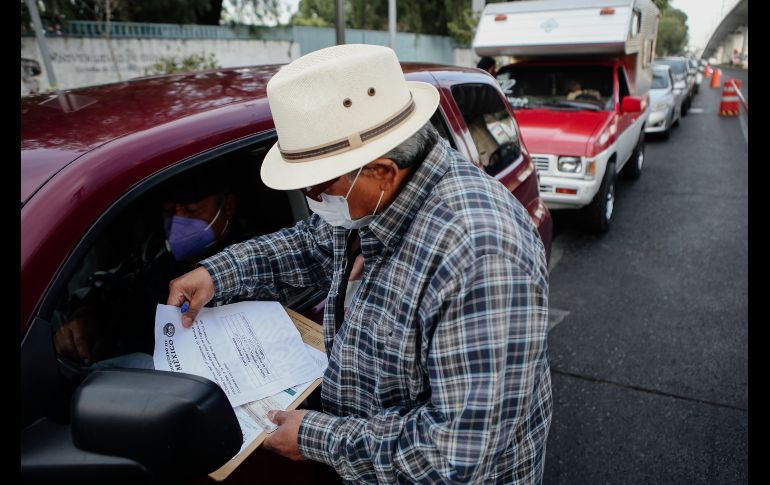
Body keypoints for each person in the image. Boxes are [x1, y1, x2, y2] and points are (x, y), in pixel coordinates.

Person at [169, 44, 552, 483]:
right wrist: (216, 274)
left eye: (317, 187)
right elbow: (308, 247)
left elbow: (455, 452)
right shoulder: (371, 202)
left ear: (383, 171)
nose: (312, 201)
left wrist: (317, 439)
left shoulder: (481, 256)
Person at [53, 164, 241, 369]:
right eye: (169, 211)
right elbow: (116, 293)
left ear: (228, 206)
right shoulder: (154, 254)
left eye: (191, 210)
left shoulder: (246, 263)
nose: (178, 221)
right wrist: (86, 320)